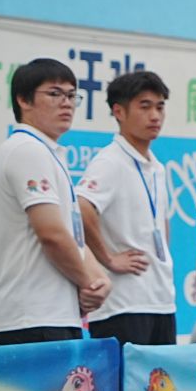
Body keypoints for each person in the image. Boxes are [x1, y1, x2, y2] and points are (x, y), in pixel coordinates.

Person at [0, 58, 108, 345]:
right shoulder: (27, 150)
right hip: (32, 317)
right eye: (54, 94)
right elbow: (51, 234)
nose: (66, 103)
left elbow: (71, 236)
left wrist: (99, 281)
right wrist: (87, 283)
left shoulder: (48, 152)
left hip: (54, 315)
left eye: (71, 95)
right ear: (23, 100)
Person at [77, 70, 178, 345]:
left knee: (162, 375)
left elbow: (161, 224)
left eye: (160, 107)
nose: (155, 116)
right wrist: (108, 259)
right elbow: (82, 207)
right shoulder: (110, 161)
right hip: (122, 305)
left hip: (160, 299)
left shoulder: (156, 166)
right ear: (119, 112)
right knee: (126, 375)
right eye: (145, 107)